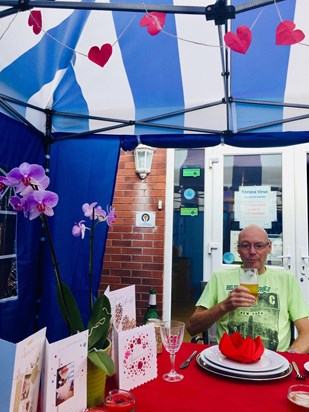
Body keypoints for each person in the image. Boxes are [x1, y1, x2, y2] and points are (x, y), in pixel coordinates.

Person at [186, 224, 309, 353]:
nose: (252, 251)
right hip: (229, 359)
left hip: (274, 361)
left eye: (259, 245)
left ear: (269, 247)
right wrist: (224, 306)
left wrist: (287, 358)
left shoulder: (286, 279)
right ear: (238, 249)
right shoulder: (220, 277)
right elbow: (192, 327)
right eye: (245, 245)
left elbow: (306, 332)